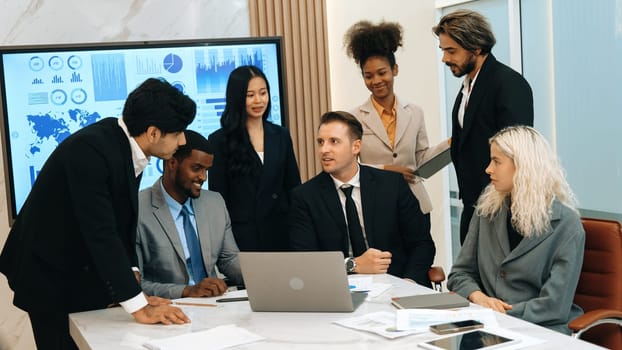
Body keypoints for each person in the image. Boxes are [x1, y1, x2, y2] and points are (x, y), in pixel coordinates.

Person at [0, 78, 195, 349]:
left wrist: (134, 289)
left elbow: (121, 222)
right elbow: (101, 231)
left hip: (77, 270)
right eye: (178, 133)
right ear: (153, 133)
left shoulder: (125, 145)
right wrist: (140, 307)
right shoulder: (91, 150)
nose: (183, 141)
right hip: (46, 274)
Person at [447, 125, 584, 334]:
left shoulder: (566, 225)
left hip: (541, 330)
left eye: (497, 161)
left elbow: (554, 306)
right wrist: (479, 297)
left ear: (523, 166)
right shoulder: (487, 211)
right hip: (487, 327)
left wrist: (497, 314)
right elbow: (459, 274)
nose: (488, 169)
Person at [289, 111, 435, 286]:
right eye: (320, 142)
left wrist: (408, 283)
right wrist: (353, 265)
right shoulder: (305, 197)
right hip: (338, 289)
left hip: (395, 284)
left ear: (356, 147)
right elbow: (306, 261)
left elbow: (422, 244)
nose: (324, 149)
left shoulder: (392, 185)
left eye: (334, 141)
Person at [432, 9, 534, 244]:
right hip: (473, 211)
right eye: (443, 50)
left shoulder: (509, 84)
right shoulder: (466, 88)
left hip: (502, 216)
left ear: (476, 47)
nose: (445, 59)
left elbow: (515, 156)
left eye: (451, 51)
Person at [345, 20, 448, 230]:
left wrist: (451, 145)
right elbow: (349, 167)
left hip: (415, 204)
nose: (376, 81)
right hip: (376, 207)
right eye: (368, 76)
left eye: (382, 73)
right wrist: (387, 170)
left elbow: (420, 160)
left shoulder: (415, 112)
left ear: (395, 69)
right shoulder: (354, 118)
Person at [136, 130, 244, 299]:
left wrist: (266, 277)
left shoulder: (215, 203)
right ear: (172, 163)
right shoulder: (138, 208)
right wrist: (187, 291)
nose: (203, 177)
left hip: (215, 306)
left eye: (206, 170)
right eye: (196, 168)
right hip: (167, 309)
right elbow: (137, 284)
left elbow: (230, 260)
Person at [208, 65, 301, 251]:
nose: (258, 100)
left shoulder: (281, 134)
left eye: (263, 93)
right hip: (243, 236)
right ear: (237, 98)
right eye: (250, 95)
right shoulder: (219, 140)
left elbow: (293, 187)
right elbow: (218, 198)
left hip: (280, 232)